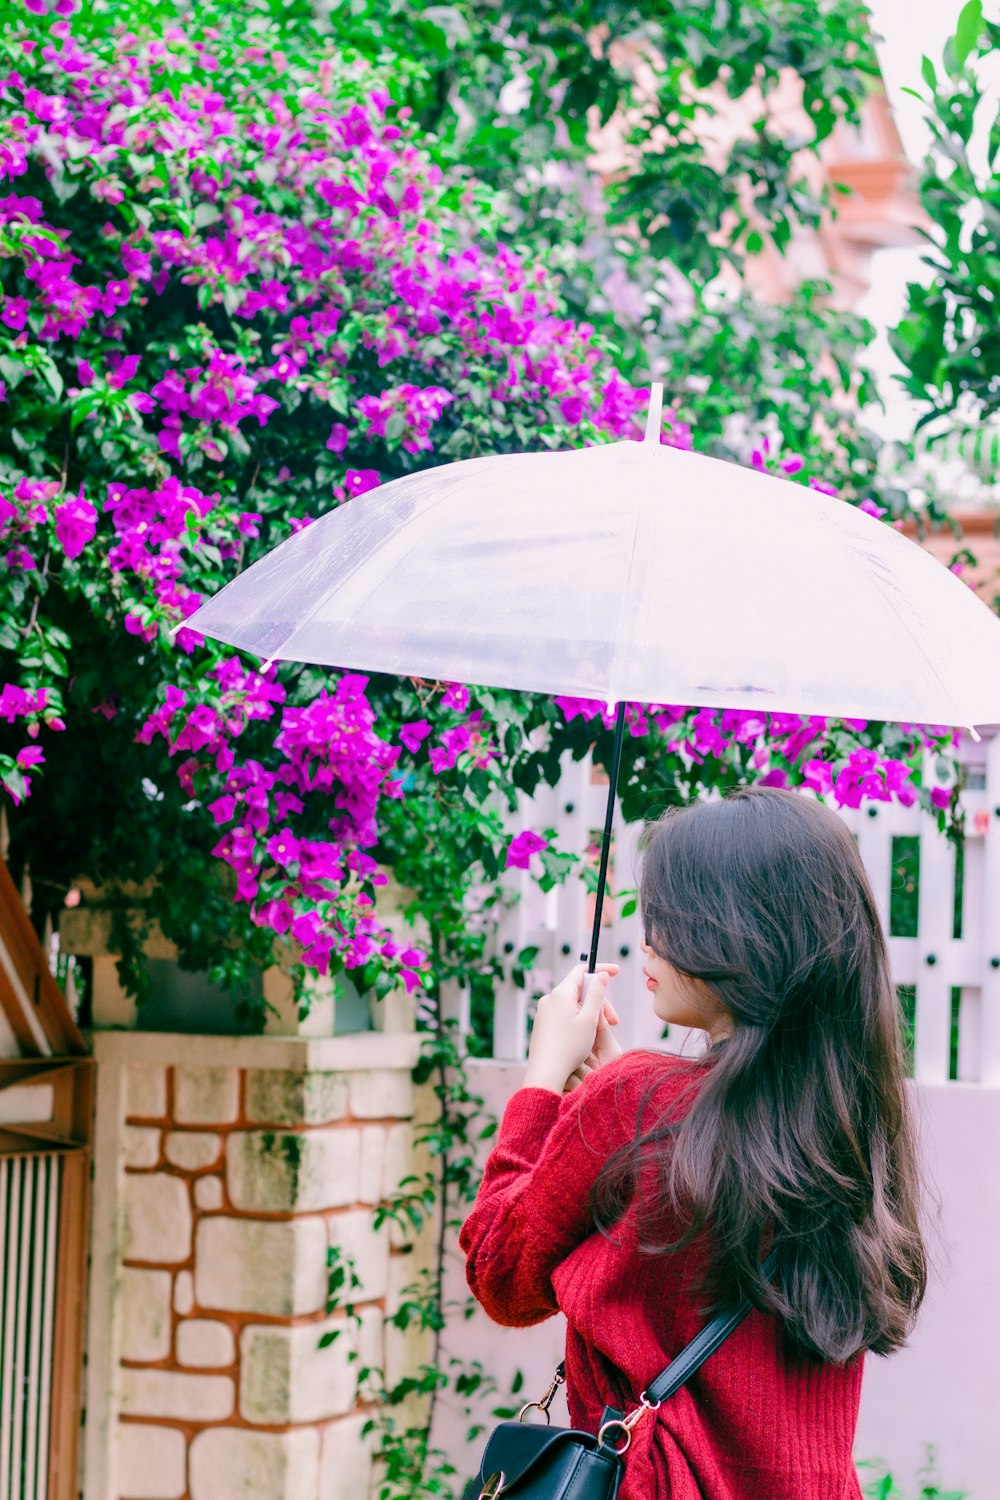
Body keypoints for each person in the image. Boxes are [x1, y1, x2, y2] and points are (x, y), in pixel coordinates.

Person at [459, 787, 927, 1499]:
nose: (647, 943)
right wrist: (615, 1092)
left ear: (736, 937)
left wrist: (544, 1082)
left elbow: (501, 1275)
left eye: (670, 921)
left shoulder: (635, 1103)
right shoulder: (850, 1118)